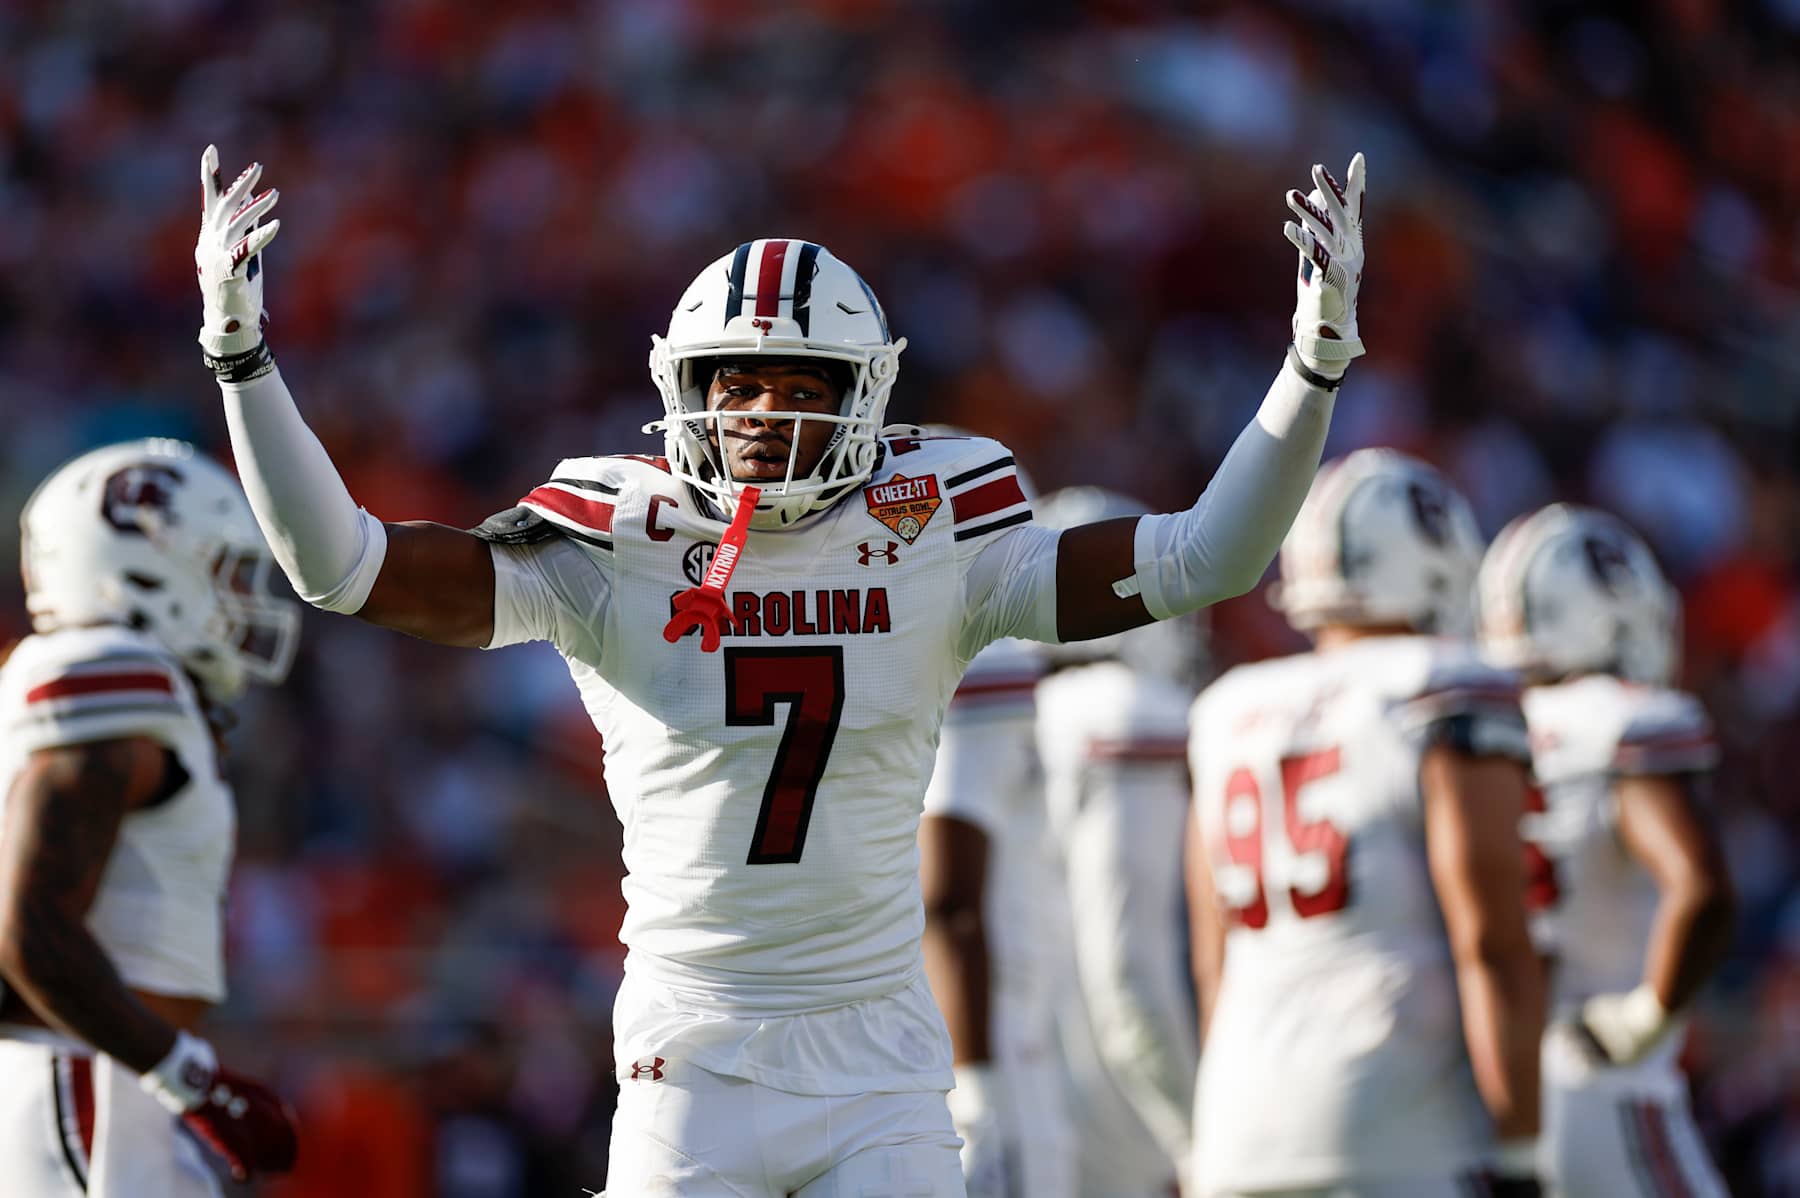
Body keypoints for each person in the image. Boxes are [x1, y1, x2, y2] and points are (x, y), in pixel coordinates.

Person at [193, 139, 1366, 1195]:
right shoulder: (616, 540)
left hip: (884, 1061)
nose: (763, 413)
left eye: (802, 385)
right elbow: (341, 566)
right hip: (690, 1056)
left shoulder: (939, 526)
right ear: (682, 391)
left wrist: (1311, 366)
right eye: (735, 383)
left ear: (866, 396)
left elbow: (1206, 557)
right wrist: (243, 358)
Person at [1186, 449, 1546, 1198]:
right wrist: (1522, 1150)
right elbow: (1490, 941)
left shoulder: (1225, 710)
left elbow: (1212, 961)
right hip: (1396, 1127)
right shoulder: (1439, 688)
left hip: (1236, 1124)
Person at [0, 439, 302, 1195]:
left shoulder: (98, 686)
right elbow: (29, 932)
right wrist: (194, 1080)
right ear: (135, 565)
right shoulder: (110, 670)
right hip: (80, 1076)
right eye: (220, 570)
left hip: (103, 1070)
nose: (239, 597)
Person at [1476, 505, 1735, 1198]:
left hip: (1492, 1086)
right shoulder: (1625, 719)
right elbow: (1701, 887)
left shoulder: (1473, 734)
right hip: (1604, 1078)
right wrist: (1647, 1016)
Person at [1033, 487, 1202, 1198]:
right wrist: (1194, 1134)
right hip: (1113, 1127)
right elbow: (1129, 974)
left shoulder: (980, 720)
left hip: (995, 1105)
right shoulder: (1124, 714)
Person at [919, 632, 1065, 1198]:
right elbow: (950, 900)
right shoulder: (989, 658)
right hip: (987, 1040)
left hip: (980, 1029)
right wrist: (977, 1096)